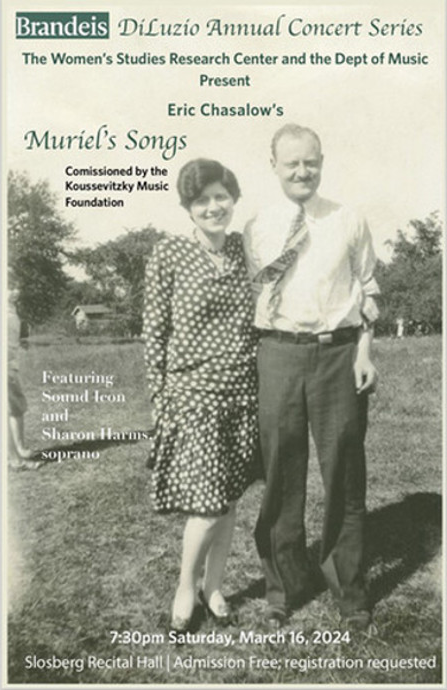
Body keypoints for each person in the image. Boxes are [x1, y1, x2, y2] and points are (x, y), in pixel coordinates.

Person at [244, 124, 379, 630]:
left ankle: (349, 587)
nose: (303, 172)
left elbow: (367, 290)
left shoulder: (348, 218)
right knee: (281, 473)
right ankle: (284, 584)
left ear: (322, 161)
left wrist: (365, 351)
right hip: (277, 354)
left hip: (338, 355)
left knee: (343, 471)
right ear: (273, 165)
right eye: (291, 163)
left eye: (311, 162)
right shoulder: (256, 226)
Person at [142, 159, 258, 631]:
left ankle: (214, 586)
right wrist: (158, 396)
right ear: (187, 208)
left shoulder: (242, 250)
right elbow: (153, 330)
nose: (213, 207)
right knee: (207, 504)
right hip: (192, 395)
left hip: (242, 392)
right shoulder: (168, 254)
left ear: (233, 198)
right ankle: (185, 587)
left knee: (228, 499)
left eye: (220, 197)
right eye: (201, 200)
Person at [8, 288, 39, 470]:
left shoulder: (10, 308)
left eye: (17, 287)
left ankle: (19, 449)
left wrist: (19, 343)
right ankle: (14, 460)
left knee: (16, 406)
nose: (16, 291)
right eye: (10, 287)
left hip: (10, 363)